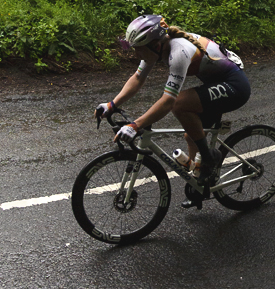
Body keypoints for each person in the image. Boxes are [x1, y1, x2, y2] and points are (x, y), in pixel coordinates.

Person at [94, 15, 250, 203]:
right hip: (215, 83)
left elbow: (169, 101)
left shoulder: (179, 52)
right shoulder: (157, 48)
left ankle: (209, 158)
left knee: (180, 104)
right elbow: (137, 78)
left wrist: (135, 126)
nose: (137, 55)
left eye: (138, 50)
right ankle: (199, 184)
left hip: (235, 87)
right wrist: (112, 104)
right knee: (191, 134)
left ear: (155, 45)